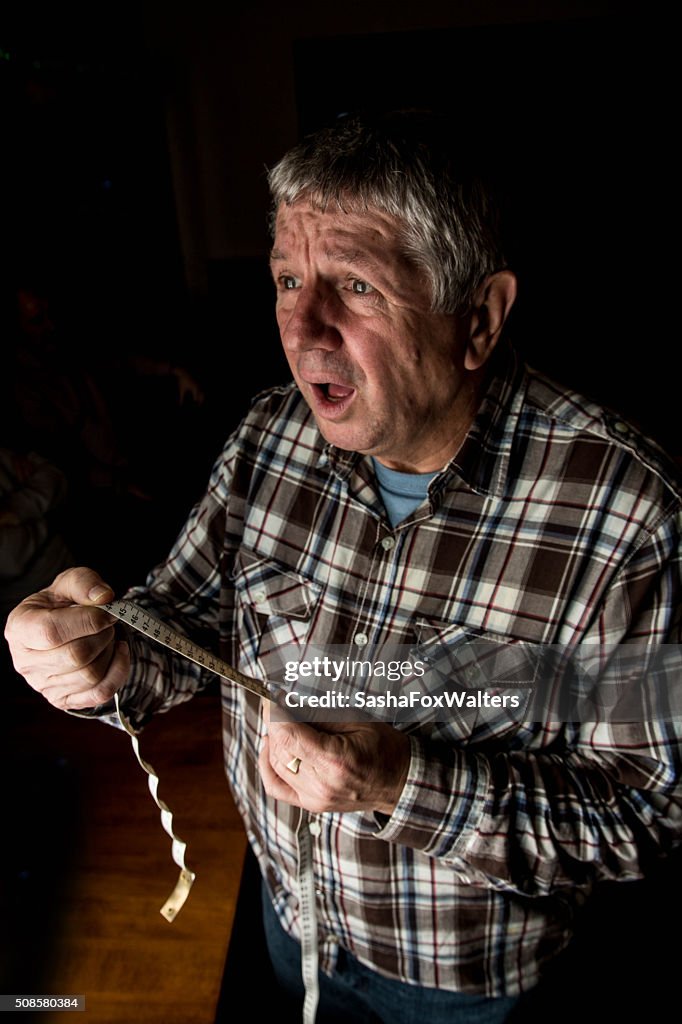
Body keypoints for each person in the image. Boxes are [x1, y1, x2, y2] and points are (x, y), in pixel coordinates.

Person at [5, 110, 682, 1024]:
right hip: (293, 921)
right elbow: (189, 619)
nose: (301, 326)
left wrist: (402, 783)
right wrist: (103, 655)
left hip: (464, 983)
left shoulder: (631, 514)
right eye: (288, 278)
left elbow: (644, 818)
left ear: (478, 320)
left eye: (356, 286)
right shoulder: (270, 436)